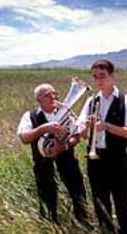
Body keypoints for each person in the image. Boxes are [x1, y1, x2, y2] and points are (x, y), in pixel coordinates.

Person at [77, 59, 127, 234]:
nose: (99, 80)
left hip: (116, 157)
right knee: (99, 198)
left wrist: (106, 126)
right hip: (95, 157)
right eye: (95, 77)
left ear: (112, 75)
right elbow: (83, 134)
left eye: (102, 76)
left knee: (121, 199)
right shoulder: (91, 101)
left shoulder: (126, 100)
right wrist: (86, 127)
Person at [17, 82, 88, 225]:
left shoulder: (66, 113)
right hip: (43, 164)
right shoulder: (30, 116)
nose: (53, 97)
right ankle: (51, 227)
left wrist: (65, 145)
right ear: (39, 99)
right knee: (47, 198)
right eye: (48, 95)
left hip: (67, 160)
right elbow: (24, 137)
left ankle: (83, 223)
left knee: (77, 193)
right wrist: (43, 129)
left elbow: (76, 135)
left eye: (55, 94)